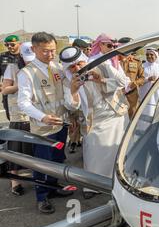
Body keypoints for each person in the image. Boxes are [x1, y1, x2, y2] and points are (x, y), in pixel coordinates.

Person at [60, 46, 130, 199]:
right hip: (94, 121)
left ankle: (118, 182)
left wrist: (101, 80)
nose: (77, 68)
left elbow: (124, 82)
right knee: (93, 153)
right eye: (72, 67)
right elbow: (72, 106)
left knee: (119, 151)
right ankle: (92, 186)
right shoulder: (67, 81)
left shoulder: (101, 65)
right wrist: (73, 90)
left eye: (79, 64)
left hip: (116, 115)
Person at [17, 32, 74, 214]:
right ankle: (42, 197)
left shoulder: (57, 67)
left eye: (53, 51)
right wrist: (42, 117)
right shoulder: (26, 73)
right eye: (45, 51)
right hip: (43, 128)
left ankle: (53, 187)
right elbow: (23, 103)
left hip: (60, 124)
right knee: (42, 163)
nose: (50, 55)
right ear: (34, 49)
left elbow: (65, 94)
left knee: (57, 160)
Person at [2, 42, 34, 196]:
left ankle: (41, 177)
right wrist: (21, 85)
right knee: (17, 147)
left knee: (36, 148)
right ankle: (15, 181)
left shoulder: (40, 65)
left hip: (37, 114)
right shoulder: (12, 67)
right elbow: (5, 89)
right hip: (19, 115)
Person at [118, 37, 146, 119]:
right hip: (118, 94)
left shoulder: (137, 61)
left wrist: (135, 83)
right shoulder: (115, 60)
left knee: (132, 118)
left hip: (132, 96)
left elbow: (142, 78)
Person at [0, 35, 23, 120]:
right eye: (7, 45)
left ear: (19, 44)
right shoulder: (2, 57)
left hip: (23, 90)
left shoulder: (24, 56)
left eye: (12, 44)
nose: (9, 47)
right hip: (8, 92)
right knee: (11, 116)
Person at [139, 48, 159, 116]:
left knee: (155, 112)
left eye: (151, 54)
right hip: (145, 94)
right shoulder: (142, 66)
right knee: (145, 112)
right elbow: (138, 80)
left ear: (156, 56)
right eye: (147, 55)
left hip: (157, 94)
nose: (149, 56)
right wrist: (148, 79)